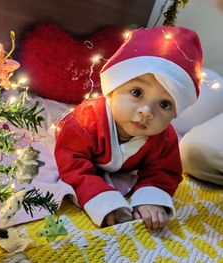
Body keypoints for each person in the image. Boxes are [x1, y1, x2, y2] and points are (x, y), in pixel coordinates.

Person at [54, 26, 203, 231]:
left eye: (165, 104)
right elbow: (72, 162)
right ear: (114, 89)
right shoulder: (84, 121)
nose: (146, 111)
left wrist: (151, 197)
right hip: (75, 140)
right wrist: (101, 198)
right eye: (136, 92)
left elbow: (164, 171)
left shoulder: (165, 137)